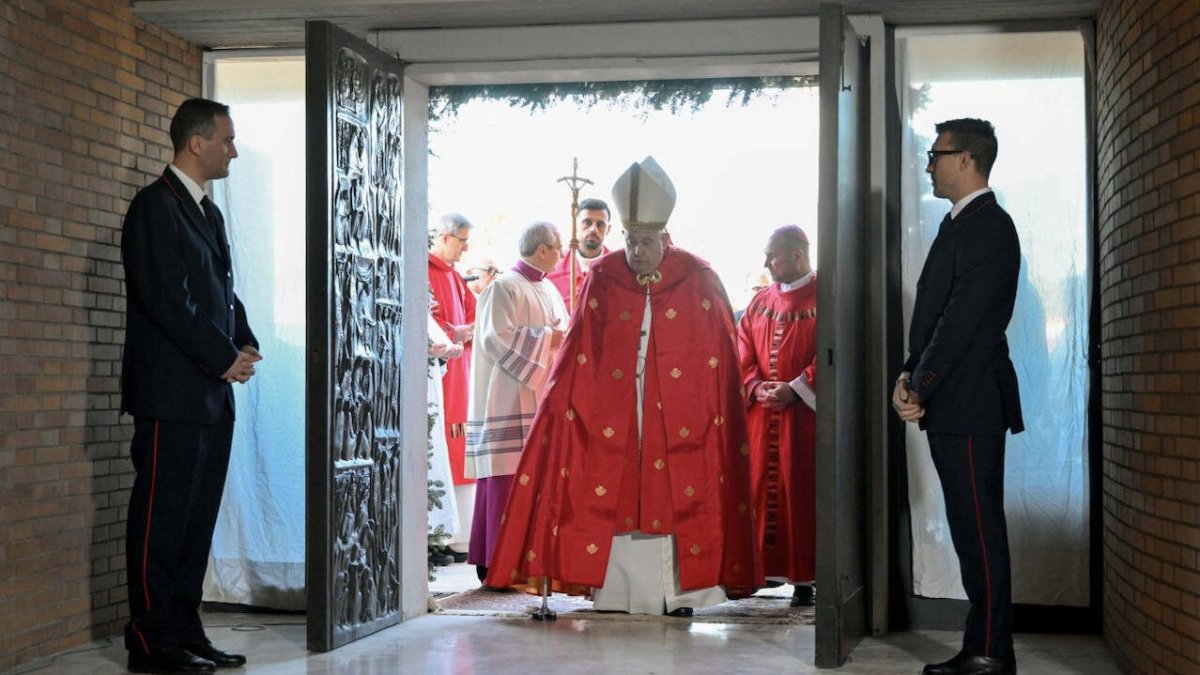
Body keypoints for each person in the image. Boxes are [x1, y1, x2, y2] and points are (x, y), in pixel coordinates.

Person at [483, 157, 762, 616]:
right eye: (630, 240)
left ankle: (680, 595)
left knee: (673, 491)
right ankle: (612, 591)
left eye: (646, 242)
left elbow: (721, 359)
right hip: (616, 411)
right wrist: (563, 403)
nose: (636, 251)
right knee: (612, 490)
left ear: (666, 239)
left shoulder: (699, 278)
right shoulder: (604, 275)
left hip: (681, 416)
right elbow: (579, 348)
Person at [120, 98, 260, 673]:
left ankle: (185, 629)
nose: (233, 149)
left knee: (196, 519)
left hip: (209, 394)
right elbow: (166, 300)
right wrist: (221, 356)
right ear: (196, 143)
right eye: (227, 139)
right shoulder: (154, 207)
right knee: (161, 520)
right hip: (170, 397)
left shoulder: (207, 211)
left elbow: (219, 292)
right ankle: (150, 642)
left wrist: (242, 340)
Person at [894, 118, 1023, 675]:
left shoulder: (990, 226)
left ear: (966, 159)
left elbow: (963, 320)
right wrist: (909, 374)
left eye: (936, 153)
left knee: (979, 530)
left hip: (970, 401)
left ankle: (991, 652)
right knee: (971, 529)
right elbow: (934, 317)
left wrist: (919, 382)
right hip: (953, 399)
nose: (929, 164)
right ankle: (986, 647)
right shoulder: (960, 223)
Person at [464, 222, 569, 583]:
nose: (561, 253)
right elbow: (497, 339)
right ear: (542, 249)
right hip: (506, 399)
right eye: (558, 247)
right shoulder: (503, 288)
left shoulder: (551, 288)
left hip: (541, 395)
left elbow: (563, 334)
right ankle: (496, 563)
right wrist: (548, 339)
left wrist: (559, 340)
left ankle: (530, 564)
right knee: (505, 481)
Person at [736, 224, 818, 607]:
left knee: (800, 493)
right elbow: (742, 349)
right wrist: (756, 386)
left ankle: (805, 577)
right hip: (762, 415)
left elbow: (833, 353)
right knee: (758, 491)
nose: (767, 262)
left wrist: (797, 389)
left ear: (798, 254)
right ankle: (763, 572)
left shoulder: (826, 297)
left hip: (804, 419)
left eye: (774, 254)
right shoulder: (758, 302)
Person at [428, 213, 478, 555]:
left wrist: (470, 328)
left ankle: (456, 535)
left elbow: (474, 313)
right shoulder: (425, 271)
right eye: (461, 240)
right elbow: (425, 317)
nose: (465, 247)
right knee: (440, 445)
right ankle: (437, 537)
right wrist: (450, 331)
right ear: (444, 237)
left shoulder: (455, 277)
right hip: (438, 375)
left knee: (459, 449)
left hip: (460, 374)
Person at [546, 197, 611, 308]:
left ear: (608, 229)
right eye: (587, 222)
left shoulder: (617, 267)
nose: (593, 229)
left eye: (600, 224)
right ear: (575, 225)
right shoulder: (552, 266)